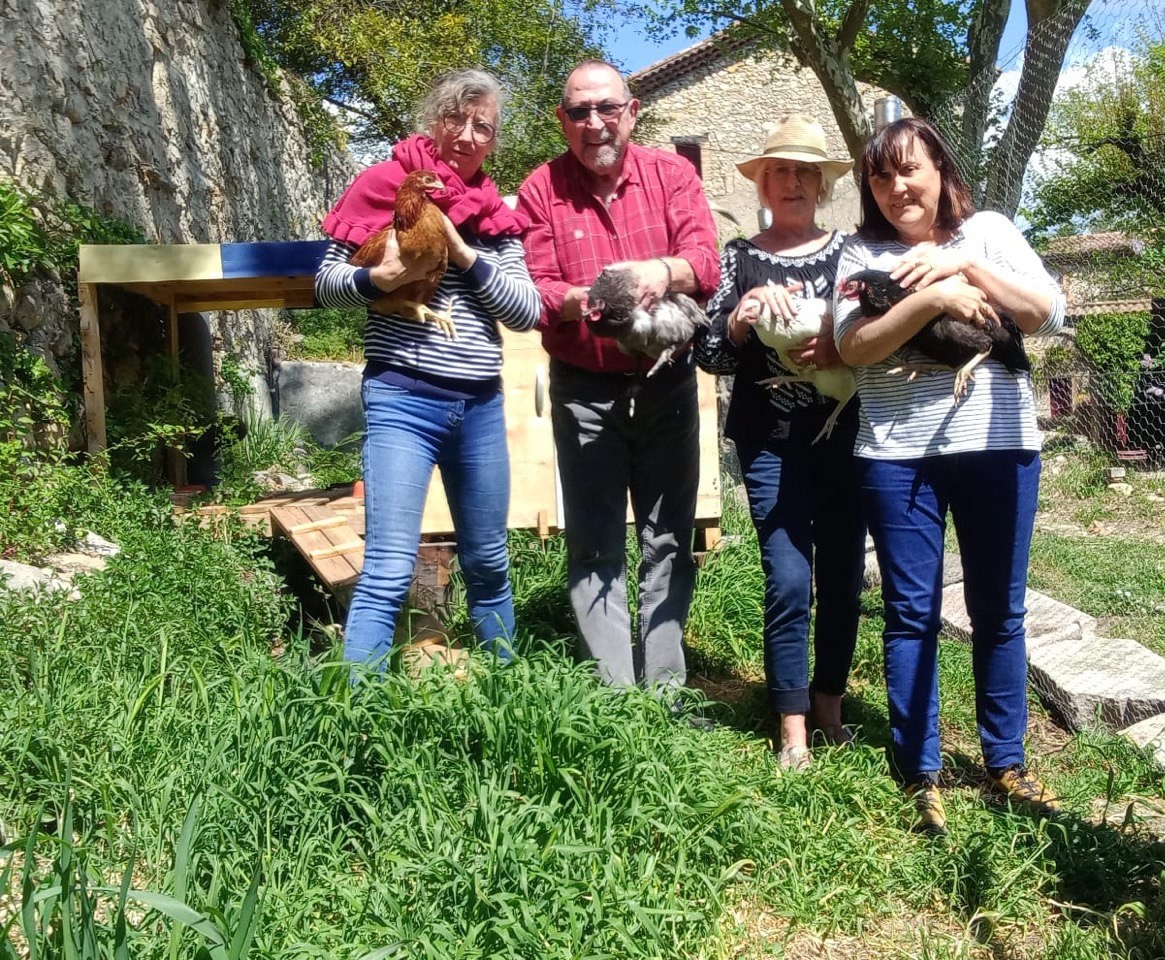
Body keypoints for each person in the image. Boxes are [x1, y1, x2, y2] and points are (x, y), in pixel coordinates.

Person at [833, 117, 1066, 833]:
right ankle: (919, 771)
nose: (898, 186)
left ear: (940, 170)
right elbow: (852, 346)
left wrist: (962, 270)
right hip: (899, 455)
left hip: (998, 445)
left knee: (1000, 609)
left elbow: (1049, 314)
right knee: (910, 614)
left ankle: (1006, 763)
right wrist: (930, 300)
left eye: (911, 169)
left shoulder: (990, 231)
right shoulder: (858, 251)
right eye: (881, 176)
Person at [315, 68, 540, 670]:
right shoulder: (381, 186)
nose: (467, 135)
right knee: (389, 563)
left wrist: (462, 251)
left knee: (488, 558)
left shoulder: (495, 214)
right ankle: (353, 715)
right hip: (402, 399)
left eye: (482, 126)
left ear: (494, 140)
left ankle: (507, 693)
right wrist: (375, 279)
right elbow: (326, 284)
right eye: (455, 120)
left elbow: (525, 311)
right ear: (433, 121)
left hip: (481, 407)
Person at [516, 59, 720, 690]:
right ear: (563, 120)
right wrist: (595, 302)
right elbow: (539, 293)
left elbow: (706, 263)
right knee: (594, 540)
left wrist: (660, 271)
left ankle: (664, 686)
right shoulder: (539, 190)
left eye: (607, 108)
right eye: (579, 112)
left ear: (631, 111)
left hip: (667, 385)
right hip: (585, 389)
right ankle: (615, 692)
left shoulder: (671, 175)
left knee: (668, 537)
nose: (595, 124)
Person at [693, 116, 865, 771]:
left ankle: (830, 708)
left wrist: (841, 345)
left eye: (804, 173)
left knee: (845, 580)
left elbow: (875, 336)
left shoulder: (848, 252)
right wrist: (737, 324)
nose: (791, 182)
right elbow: (709, 355)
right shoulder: (738, 258)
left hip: (847, 439)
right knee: (790, 580)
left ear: (821, 186)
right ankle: (792, 729)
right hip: (770, 444)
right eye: (779, 172)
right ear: (763, 183)